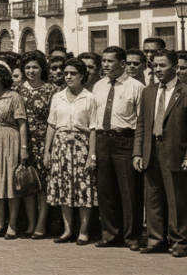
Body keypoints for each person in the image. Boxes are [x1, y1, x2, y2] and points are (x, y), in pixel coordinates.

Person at [133, 49, 187, 256]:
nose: (158, 70)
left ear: (175, 67)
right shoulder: (149, 92)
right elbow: (141, 125)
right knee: (153, 197)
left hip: (175, 151)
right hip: (150, 149)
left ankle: (179, 241)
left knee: (177, 199)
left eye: (162, 65)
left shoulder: (184, 91)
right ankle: (156, 239)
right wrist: (137, 152)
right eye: (155, 65)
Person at [91, 45, 144, 249]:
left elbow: (140, 122)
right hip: (103, 139)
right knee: (106, 190)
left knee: (129, 191)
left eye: (109, 61)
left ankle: (132, 236)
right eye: (103, 61)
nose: (105, 65)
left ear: (122, 64)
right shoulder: (98, 86)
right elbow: (94, 118)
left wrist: (137, 150)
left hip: (125, 140)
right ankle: (111, 233)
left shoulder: (135, 86)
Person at [43, 58, 98, 245]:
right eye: (66, 73)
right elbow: (51, 125)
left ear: (82, 76)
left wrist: (92, 156)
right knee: (64, 188)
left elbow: (93, 129)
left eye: (73, 73)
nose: (68, 76)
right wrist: (47, 152)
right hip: (60, 147)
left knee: (83, 189)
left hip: (81, 147)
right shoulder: (57, 97)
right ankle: (67, 230)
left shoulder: (90, 98)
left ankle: (83, 231)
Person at [17, 51, 60, 239]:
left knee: (43, 185)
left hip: (45, 141)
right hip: (23, 141)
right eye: (27, 67)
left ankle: (41, 223)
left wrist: (49, 147)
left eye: (35, 67)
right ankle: (31, 223)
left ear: (42, 68)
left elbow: (55, 119)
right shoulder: (18, 90)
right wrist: (22, 147)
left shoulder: (52, 90)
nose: (31, 71)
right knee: (27, 183)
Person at [0, 63, 29, 239]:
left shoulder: (14, 97)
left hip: (11, 139)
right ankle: (0, 223)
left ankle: (12, 224)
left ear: (3, 77)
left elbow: (22, 124)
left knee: (11, 183)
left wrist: (24, 148)